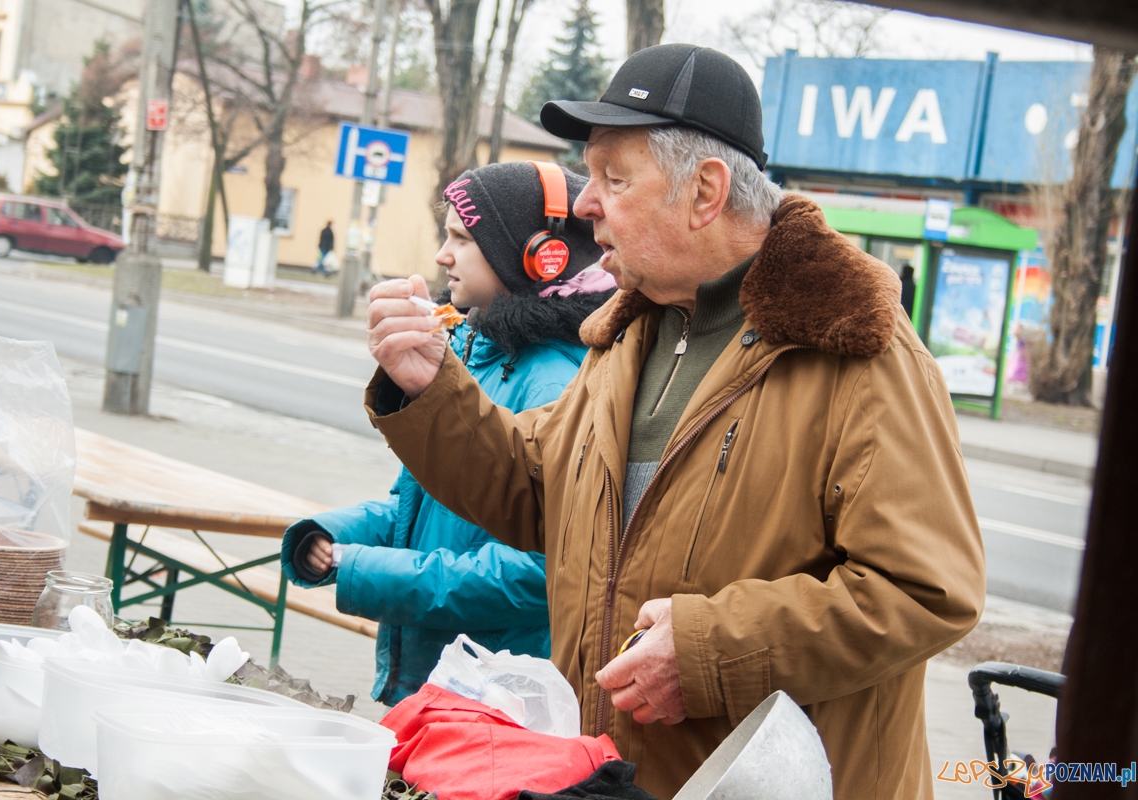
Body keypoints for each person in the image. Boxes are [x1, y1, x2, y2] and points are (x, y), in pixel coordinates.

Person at [361, 44, 985, 799]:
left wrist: (709, 653)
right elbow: (539, 488)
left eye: (614, 179)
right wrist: (432, 389)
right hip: (613, 777)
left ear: (705, 192)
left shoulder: (855, 350)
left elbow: (925, 589)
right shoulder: (633, 333)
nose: (586, 205)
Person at [281, 161, 614, 707]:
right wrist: (333, 534)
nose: (442, 255)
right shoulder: (474, 353)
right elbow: (420, 507)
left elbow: (537, 573)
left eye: (462, 238)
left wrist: (355, 565)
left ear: (538, 256)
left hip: (491, 699)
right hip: (447, 685)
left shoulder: (552, 382)